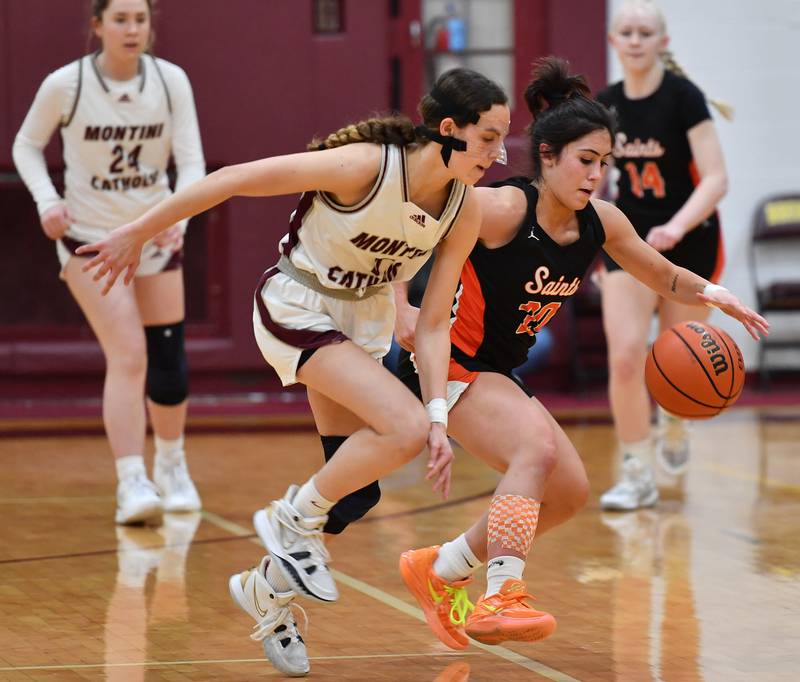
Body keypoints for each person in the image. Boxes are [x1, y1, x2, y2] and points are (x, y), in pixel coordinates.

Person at [75, 69, 511, 676]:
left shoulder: (463, 209)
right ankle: (286, 519)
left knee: (355, 490)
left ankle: (267, 594)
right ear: (448, 131)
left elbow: (432, 324)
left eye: (503, 140)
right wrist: (137, 233)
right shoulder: (363, 165)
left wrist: (440, 412)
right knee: (400, 429)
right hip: (297, 304)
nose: (500, 153)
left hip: (359, 326)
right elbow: (230, 181)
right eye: (488, 138)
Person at [393, 57, 767, 650]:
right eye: (585, 161)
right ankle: (500, 596)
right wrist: (399, 307)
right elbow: (406, 219)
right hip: (450, 362)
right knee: (534, 449)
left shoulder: (601, 222)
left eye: (604, 164)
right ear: (547, 157)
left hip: (498, 368)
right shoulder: (501, 210)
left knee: (566, 494)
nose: (596, 175)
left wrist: (719, 297)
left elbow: (664, 276)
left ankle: (439, 571)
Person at [12, 0, 204, 525]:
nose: (132, 29)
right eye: (120, 19)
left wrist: (176, 220)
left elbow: (191, 164)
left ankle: (171, 464)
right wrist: (48, 201)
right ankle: (131, 482)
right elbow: (26, 146)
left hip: (153, 238)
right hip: (90, 239)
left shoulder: (170, 82)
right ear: (96, 25)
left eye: (140, 19)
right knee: (129, 353)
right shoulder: (65, 85)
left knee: (170, 361)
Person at [596, 0, 733, 510]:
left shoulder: (684, 98)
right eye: (626, 31)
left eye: (644, 32)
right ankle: (636, 473)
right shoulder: (605, 104)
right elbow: (592, 172)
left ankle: (675, 420)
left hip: (688, 239)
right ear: (613, 40)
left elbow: (717, 178)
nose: (634, 40)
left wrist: (676, 225)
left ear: (662, 42)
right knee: (627, 355)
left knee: (678, 352)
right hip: (628, 244)